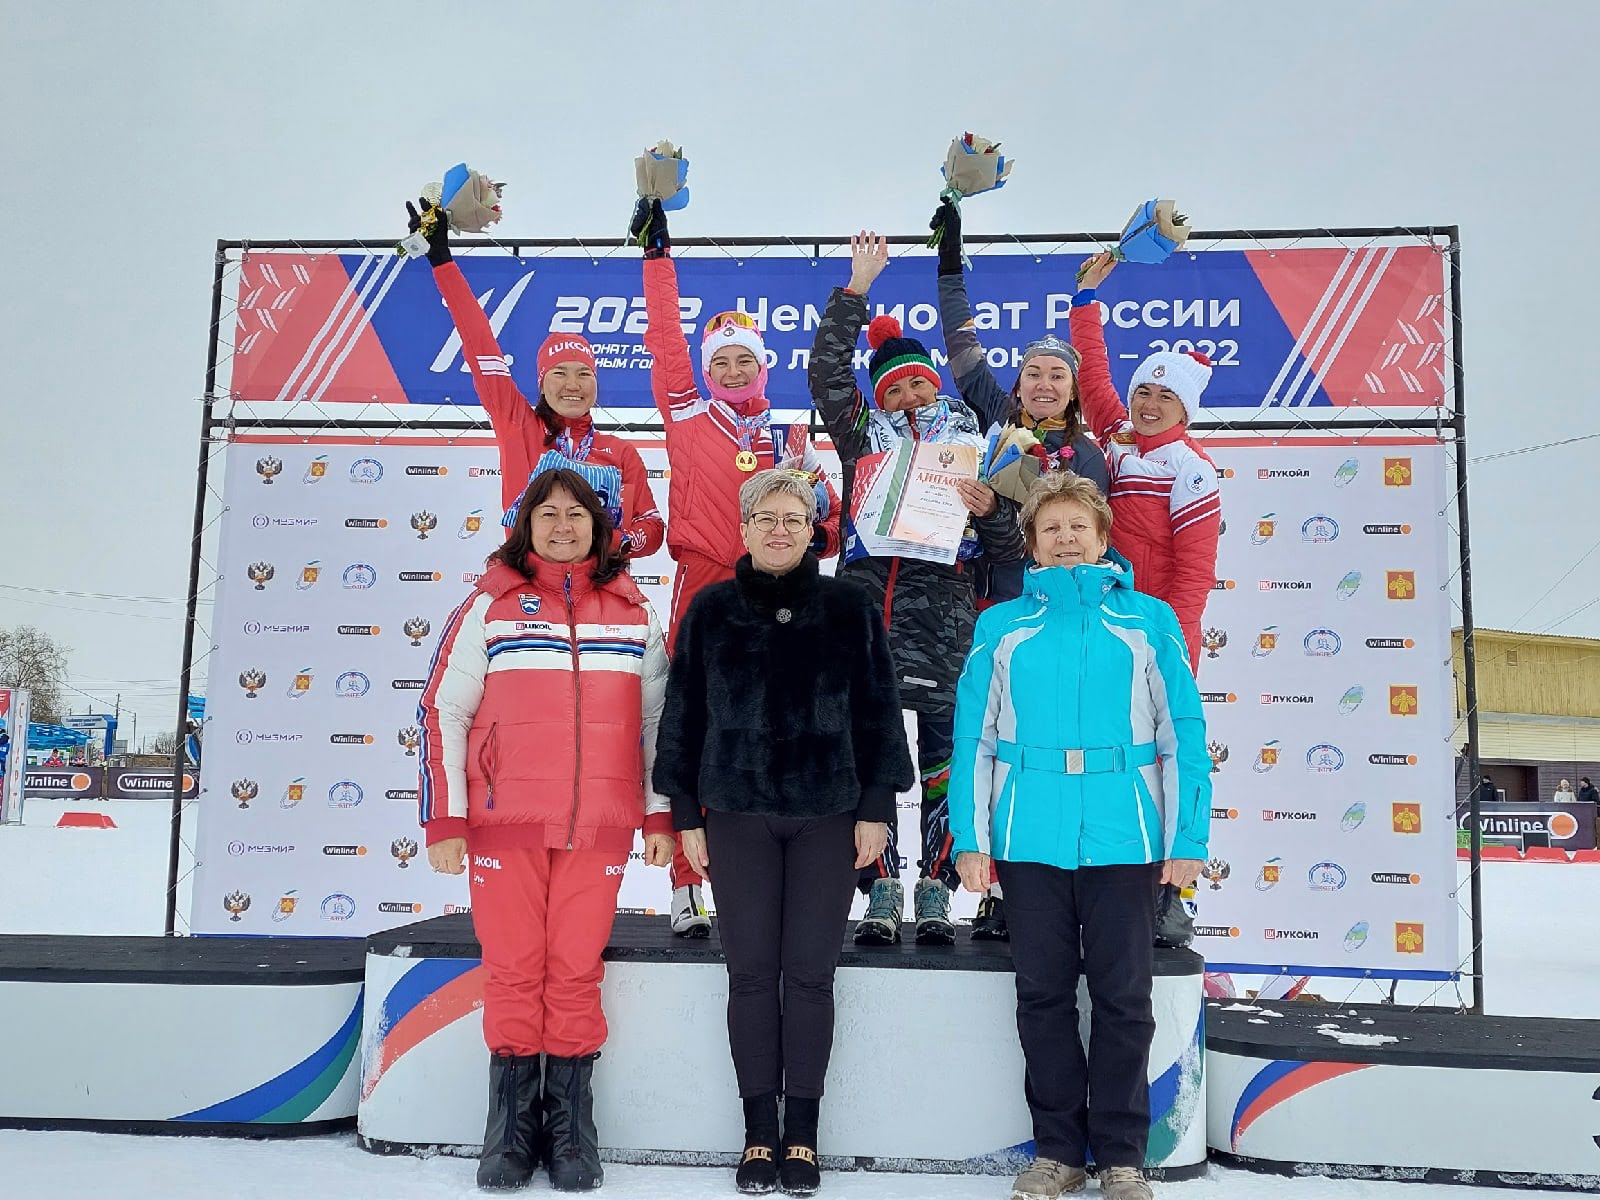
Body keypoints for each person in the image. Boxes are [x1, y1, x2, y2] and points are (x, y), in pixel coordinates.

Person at [653, 469, 914, 1196]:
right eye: (765, 517)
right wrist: (684, 816)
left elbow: (878, 709)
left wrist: (876, 808)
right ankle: (757, 1135)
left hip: (829, 817)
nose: (778, 529)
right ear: (743, 529)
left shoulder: (849, 606)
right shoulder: (710, 610)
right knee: (749, 975)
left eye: (792, 518)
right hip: (736, 817)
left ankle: (802, 1131)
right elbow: (683, 717)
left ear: (812, 531)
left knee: (808, 975)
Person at [950, 471, 1210, 1200]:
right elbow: (974, 738)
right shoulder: (1000, 626)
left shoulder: (1149, 620)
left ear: (1102, 538)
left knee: (1125, 999)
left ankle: (1122, 1155)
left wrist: (1187, 838)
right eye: (1051, 528)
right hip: (1027, 838)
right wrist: (970, 838)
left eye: (1078, 527)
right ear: (1032, 544)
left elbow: (1183, 734)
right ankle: (1057, 1152)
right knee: (1043, 997)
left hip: (1126, 838)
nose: (1065, 539)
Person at [417, 468, 673, 1192]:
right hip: (504, 825)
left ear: (600, 527)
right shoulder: (491, 605)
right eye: (548, 514)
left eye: (577, 514)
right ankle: (509, 1130)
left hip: (599, 826)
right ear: (525, 526)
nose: (564, 526)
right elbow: (442, 711)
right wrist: (446, 817)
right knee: (513, 968)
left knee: (575, 970)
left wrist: (659, 813)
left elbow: (661, 723)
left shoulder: (632, 611)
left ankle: (570, 1129)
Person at [631, 196, 843, 939]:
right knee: (693, 728)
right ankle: (686, 886)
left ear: (762, 366)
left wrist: (818, 519)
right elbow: (664, 341)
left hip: (777, 598)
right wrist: (658, 258)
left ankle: (759, 878)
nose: (729, 369)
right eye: (718, 360)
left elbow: (828, 522)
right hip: (705, 588)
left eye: (743, 359)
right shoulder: (686, 414)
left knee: (768, 734)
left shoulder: (790, 435)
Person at [809, 232, 1028, 947]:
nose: (907, 396)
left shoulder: (975, 441)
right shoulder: (861, 438)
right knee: (866, 757)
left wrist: (990, 511)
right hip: (864, 619)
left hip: (945, 622)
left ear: (936, 383)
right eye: (893, 388)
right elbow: (826, 375)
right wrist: (856, 290)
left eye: (917, 383)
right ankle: (879, 887)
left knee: (943, 759)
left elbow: (1009, 548)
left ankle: (935, 886)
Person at [931, 197, 1112, 942]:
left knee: (1042, 747)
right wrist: (949, 257)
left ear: (1072, 390)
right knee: (989, 747)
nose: (1043, 384)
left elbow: (1084, 544)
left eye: (1056, 376)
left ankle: (1042, 886)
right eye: (1033, 372)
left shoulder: (1091, 456)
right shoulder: (993, 416)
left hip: (1058, 624)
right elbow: (960, 339)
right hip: (988, 612)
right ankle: (992, 886)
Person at [404, 198, 666, 555]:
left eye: (583, 374)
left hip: (600, 583)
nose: (572, 385)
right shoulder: (519, 425)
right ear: (541, 383)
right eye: (559, 373)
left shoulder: (621, 452)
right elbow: (479, 343)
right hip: (529, 580)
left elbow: (652, 527)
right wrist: (442, 262)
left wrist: (613, 543)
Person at [1069, 252, 1222, 673]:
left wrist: (1169, 639)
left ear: (1185, 410)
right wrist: (1085, 297)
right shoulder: (1117, 434)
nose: (1150, 405)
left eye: (1165, 396)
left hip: (1156, 625)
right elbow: (1091, 376)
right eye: (1143, 392)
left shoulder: (1190, 467)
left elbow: (1194, 573)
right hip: (1106, 612)